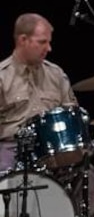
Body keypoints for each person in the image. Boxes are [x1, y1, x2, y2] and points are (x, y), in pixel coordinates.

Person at [0, 14, 79, 172]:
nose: (49, 48)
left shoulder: (56, 74)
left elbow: (72, 114)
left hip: (51, 149)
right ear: (23, 40)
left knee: (86, 172)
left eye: (49, 42)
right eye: (42, 42)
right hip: (11, 150)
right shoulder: (2, 77)